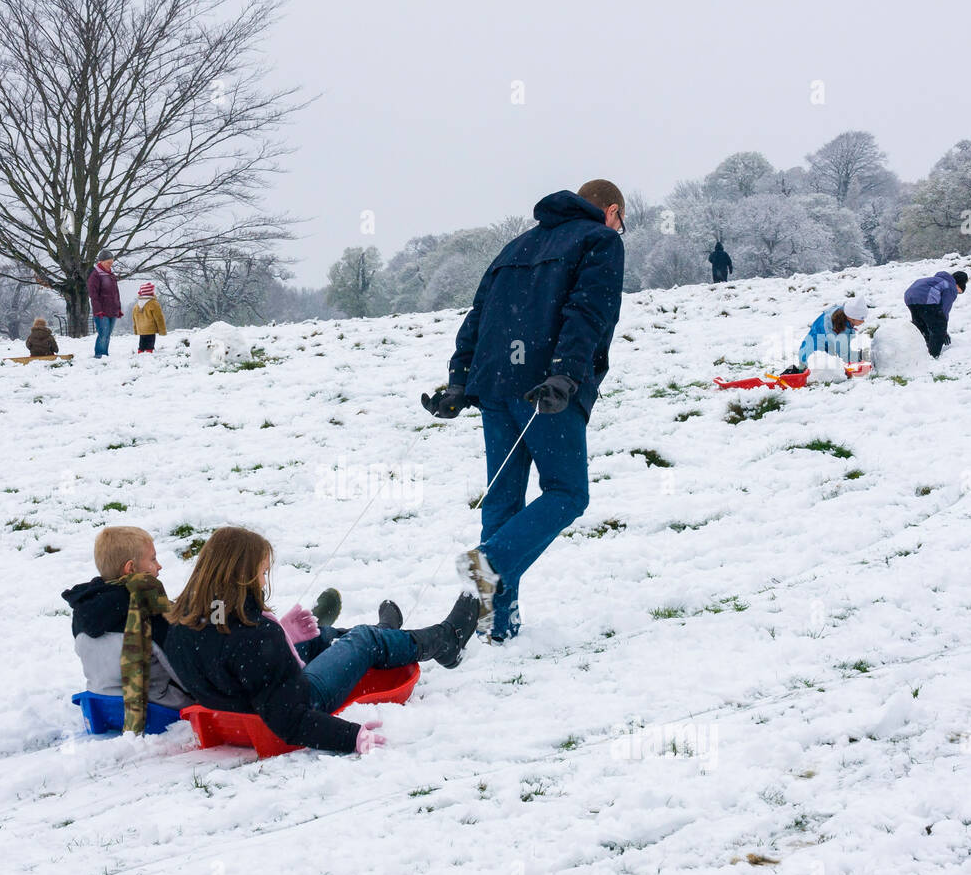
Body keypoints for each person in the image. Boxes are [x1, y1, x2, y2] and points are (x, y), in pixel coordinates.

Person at [422, 179, 626, 642]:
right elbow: (589, 310)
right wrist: (566, 373)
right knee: (567, 493)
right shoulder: (601, 240)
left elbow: (479, 313)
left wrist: (460, 379)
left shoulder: (516, 244)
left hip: (494, 384)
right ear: (611, 211)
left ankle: (497, 623)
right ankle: (488, 565)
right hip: (546, 386)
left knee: (503, 498)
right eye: (621, 222)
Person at [164, 527, 480, 755]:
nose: (263, 580)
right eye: (262, 573)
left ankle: (386, 633)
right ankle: (444, 640)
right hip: (296, 699)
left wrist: (281, 636)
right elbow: (289, 720)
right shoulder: (258, 638)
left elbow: (227, 652)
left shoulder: (185, 619)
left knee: (320, 637)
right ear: (244, 577)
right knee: (362, 640)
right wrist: (349, 737)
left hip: (239, 692)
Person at [61, 526, 192, 733]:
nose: (159, 566)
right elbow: (182, 670)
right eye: (153, 559)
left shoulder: (84, 609)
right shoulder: (148, 609)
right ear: (131, 569)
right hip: (155, 704)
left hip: (102, 698)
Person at [904, 270, 967, 359]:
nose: (956, 293)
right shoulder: (951, 286)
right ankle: (933, 356)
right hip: (926, 298)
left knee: (922, 327)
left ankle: (920, 352)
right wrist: (943, 330)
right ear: (958, 284)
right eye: (959, 292)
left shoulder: (936, 280)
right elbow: (944, 308)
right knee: (938, 328)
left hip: (910, 297)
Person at [797, 296, 868, 370]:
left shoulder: (842, 316)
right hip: (812, 360)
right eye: (861, 319)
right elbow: (843, 353)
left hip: (813, 354)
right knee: (835, 371)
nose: (863, 321)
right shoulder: (833, 326)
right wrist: (860, 357)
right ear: (851, 318)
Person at [86, 249, 121, 359]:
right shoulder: (95, 275)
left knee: (108, 335)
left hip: (113, 310)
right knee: (103, 334)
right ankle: (99, 355)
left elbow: (116, 293)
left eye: (111, 262)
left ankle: (105, 354)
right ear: (101, 262)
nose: (110, 264)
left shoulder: (111, 275)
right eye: (108, 262)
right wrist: (98, 310)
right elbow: (93, 295)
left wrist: (118, 308)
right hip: (101, 311)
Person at [132, 282, 167, 353]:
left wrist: (136, 329)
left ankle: (140, 351)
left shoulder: (136, 305)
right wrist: (162, 330)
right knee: (150, 343)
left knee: (142, 342)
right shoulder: (153, 304)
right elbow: (159, 317)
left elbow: (134, 319)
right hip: (150, 329)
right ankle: (149, 352)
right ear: (151, 293)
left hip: (141, 329)